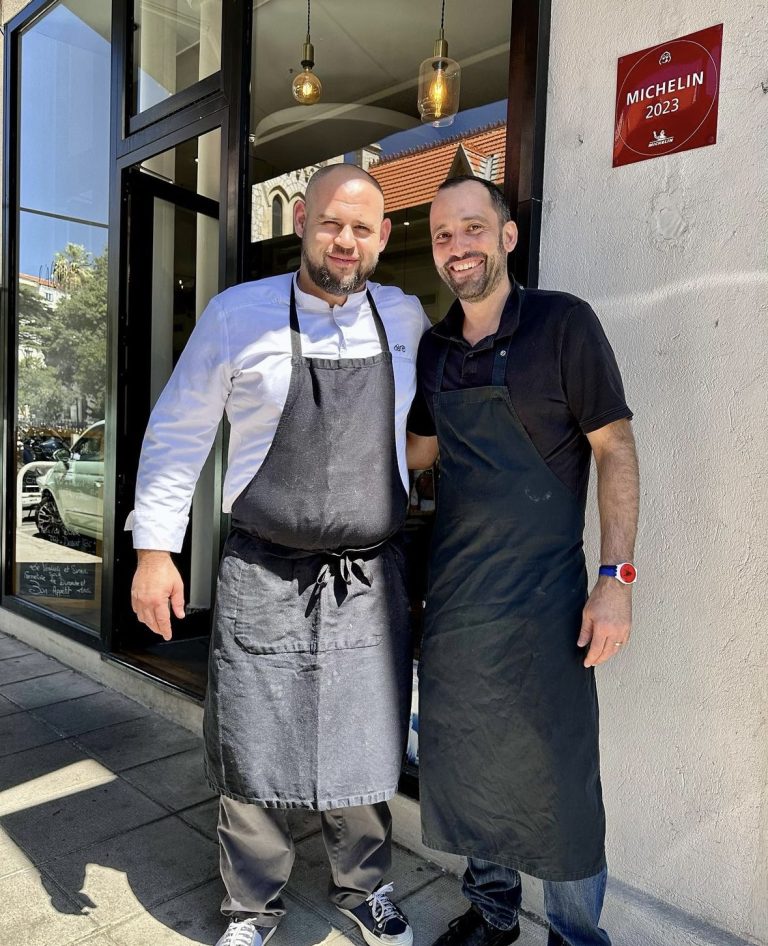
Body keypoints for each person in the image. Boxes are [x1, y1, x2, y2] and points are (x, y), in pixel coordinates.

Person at [130, 164, 429, 946]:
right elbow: (178, 431)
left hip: (369, 574)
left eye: (363, 228)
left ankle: (364, 887)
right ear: (301, 218)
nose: (346, 241)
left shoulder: (405, 317)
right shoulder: (238, 315)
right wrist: (154, 551)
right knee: (252, 744)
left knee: (368, 741)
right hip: (263, 567)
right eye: (332, 222)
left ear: (383, 238)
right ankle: (250, 907)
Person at [406, 176, 639, 946]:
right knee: (473, 766)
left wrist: (615, 580)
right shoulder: (435, 351)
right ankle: (493, 914)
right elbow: (416, 454)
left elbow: (615, 450)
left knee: (560, 787)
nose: (457, 247)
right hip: (459, 606)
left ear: (506, 237)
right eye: (443, 235)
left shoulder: (564, 325)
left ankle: (576, 937)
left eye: (472, 229)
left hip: (548, 606)